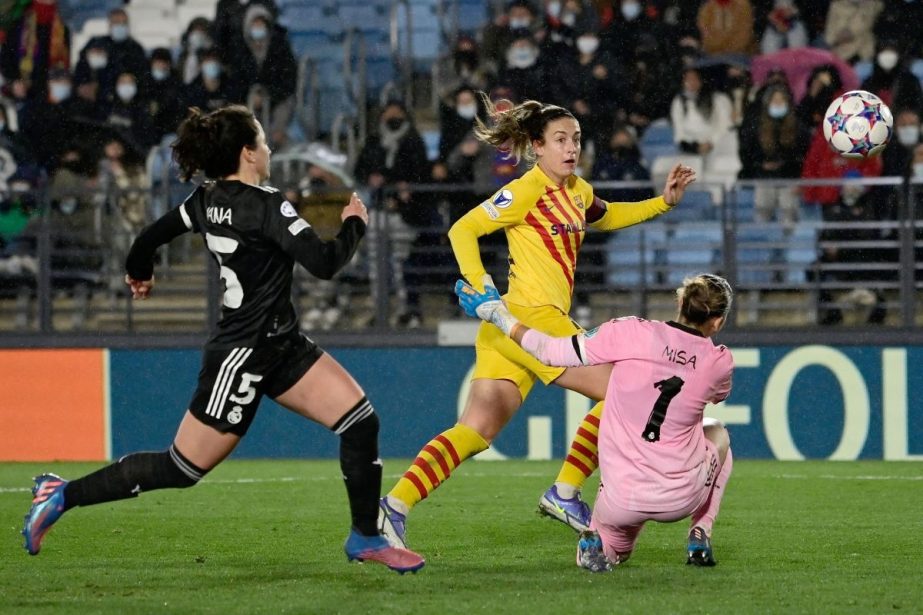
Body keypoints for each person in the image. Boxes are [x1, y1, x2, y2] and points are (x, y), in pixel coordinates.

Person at [20, 104, 425, 574]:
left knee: (359, 422)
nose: (269, 149)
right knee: (182, 468)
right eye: (263, 141)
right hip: (245, 354)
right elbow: (326, 263)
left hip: (282, 344)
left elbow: (150, 237)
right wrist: (354, 222)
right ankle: (62, 494)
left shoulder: (205, 199)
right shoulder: (268, 205)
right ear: (248, 153)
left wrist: (139, 273)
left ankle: (365, 537)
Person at [377, 94, 696, 548]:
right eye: (560, 140)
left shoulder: (577, 191)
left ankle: (394, 506)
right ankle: (566, 491)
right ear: (536, 147)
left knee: (475, 431)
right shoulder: (526, 189)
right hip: (532, 321)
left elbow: (608, 216)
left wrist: (662, 203)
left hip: (509, 329)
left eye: (577, 139)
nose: (571, 148)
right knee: (626, 392)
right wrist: (481, 287)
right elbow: (462, 228)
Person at [454, 272, 735, 571]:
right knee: (718, 433)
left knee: (614, 548)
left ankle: (597, 542)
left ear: (679, 301)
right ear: (717, 322)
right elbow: (714, 395)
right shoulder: (718, 362)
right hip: (681, 497)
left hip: (621, 498)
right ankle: (700, 532)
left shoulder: (629, 331)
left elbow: (549, 352)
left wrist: (498, 315)